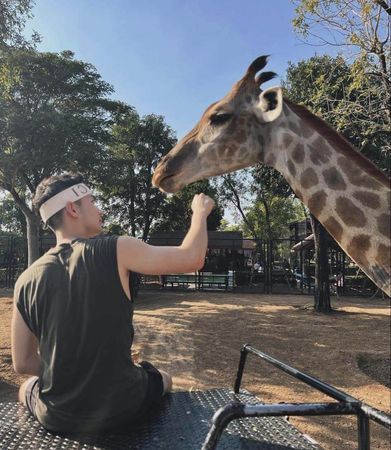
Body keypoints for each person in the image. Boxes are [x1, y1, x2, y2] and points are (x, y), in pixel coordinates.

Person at [11, 172, 215, 435]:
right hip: (122, 407)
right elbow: (192, 258)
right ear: (73, 208)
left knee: (25, 387)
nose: (99, 209)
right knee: (165, 378)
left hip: (58, 417)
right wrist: (199, 213)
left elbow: (23, 363)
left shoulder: (25, 280)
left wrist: (72, 370)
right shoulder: (117, 249)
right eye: (92, 202)